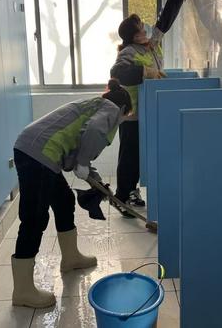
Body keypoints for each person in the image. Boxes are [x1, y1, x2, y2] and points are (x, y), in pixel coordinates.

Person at [11, 79, 132, 308]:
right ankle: (23, 290)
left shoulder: (95, 104)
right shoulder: (111, 110)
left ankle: (70, 258)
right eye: (125, 116)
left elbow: (79, 146)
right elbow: (94, 131)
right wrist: (84, 162)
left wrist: (94, 178)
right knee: (34, 218)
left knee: (64, 200)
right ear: (124, 109)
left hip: (37, 151)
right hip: (38, 154)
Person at [110, 0, 190, 214]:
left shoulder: (151, 45)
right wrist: (146, 72)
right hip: (132, 114)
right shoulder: (128, 52)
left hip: (150, 113)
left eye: (143, 29)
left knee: (142, 155)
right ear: (133, 37)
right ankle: (122, 197)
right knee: (129, 155)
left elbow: (164, 20)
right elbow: (117, 72)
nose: (145, 32)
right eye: (140, 31)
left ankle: (132, 191)